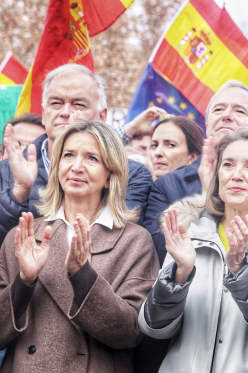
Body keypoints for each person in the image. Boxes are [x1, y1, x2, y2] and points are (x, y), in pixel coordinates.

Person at [139, 128, 248, 373]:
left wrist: (242, 269)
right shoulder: (188, 231)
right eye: (228, 164)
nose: (236, 175)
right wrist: (181, 273)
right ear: (217, 176)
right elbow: (153, 328)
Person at [0, 120, 159, 372]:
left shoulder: (134, 240)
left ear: (110, 176)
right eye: (68, 155)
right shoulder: (23, 236)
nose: (76, 166)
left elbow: (129, 333)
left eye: (92, 158)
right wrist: (24, 280)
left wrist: (82, 274)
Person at [0, 64, 153, 242]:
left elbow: (124, 244)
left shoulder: (132, 174)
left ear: (102, 117)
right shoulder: (5, 172)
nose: (65, 112)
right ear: (43, 114)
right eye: (55, 103)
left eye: (78, 104)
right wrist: (19, 194)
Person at [141, 80, 248, 264]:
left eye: (239, 111)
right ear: (207, 126)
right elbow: (158, 254)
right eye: (218, 110)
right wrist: (206, 198)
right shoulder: (167, 186)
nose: (226, 115)